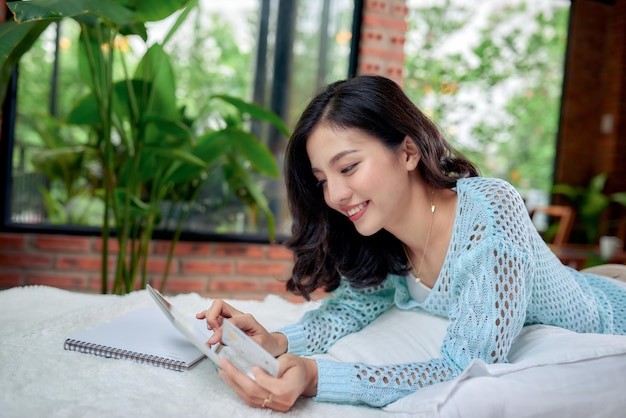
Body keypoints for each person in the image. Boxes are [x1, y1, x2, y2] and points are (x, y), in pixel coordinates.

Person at [196, 75, 626, 411]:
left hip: (611, 304)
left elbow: (465, 367)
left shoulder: (489, 211)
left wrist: (316, 377)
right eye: (323, 180)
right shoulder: (382, 233)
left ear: (407, 152)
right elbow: (352, 308)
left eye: (348, 167)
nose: (334, 196)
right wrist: (274, 342)